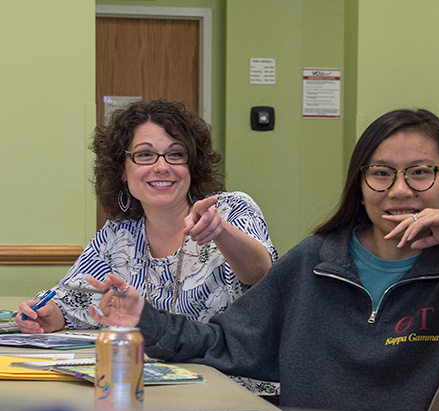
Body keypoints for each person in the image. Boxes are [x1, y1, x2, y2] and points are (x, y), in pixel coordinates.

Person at [84, 108, 439, 411]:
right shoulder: (315, 260)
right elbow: (225, 343)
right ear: (361, 183)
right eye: (382, 173)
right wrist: (145, 319)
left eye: (421, 172)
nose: (400, 190)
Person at [16, 99, 277, 334]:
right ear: (121, 170)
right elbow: (73, 294)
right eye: (144, 155)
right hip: (154, 376)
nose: (161, 167)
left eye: (176, 154)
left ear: (192, 165)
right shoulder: (119, 233)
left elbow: (261, 274)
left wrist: (220, 231)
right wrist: (50, 315)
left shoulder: (231, 209)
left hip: (229, 379)